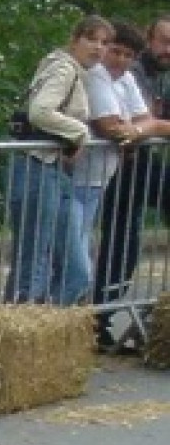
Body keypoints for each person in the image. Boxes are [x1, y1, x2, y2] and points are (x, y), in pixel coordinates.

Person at [5, 15, 111, 306]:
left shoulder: (77, 73)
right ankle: (20, 329)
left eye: (104, 42)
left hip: (54, 169)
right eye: (91, 39)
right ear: (75, 39)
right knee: (32, 264)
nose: (98, 48)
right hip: (35, 166)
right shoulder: (63, 68)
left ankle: (44, 326)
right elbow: (39, 111)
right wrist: (80, 133)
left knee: (77, 273)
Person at [94, 15, 170, 344]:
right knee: (119, 243)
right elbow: (125, 125)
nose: (168, 49)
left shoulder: (160, 77)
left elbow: (149, 124)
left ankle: (102, 318)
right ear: (149, 41)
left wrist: (150, 127)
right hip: (119, 166)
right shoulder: (131, 73)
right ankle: (98, 317)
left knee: (124, 242)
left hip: (134, 163)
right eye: (164, 41)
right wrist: (149, 127)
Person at [74, 21, 146, 320]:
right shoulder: (97, 75)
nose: (120, 60)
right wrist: (134, 130)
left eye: (128, 55)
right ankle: (66, 317)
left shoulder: (126, 79)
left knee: (79, 253)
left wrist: (136, 129)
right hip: (76, 179)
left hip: (98, 181)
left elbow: (146, 120)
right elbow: (110, 126)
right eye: (115, 51)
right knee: (74, 260)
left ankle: (76, 319)